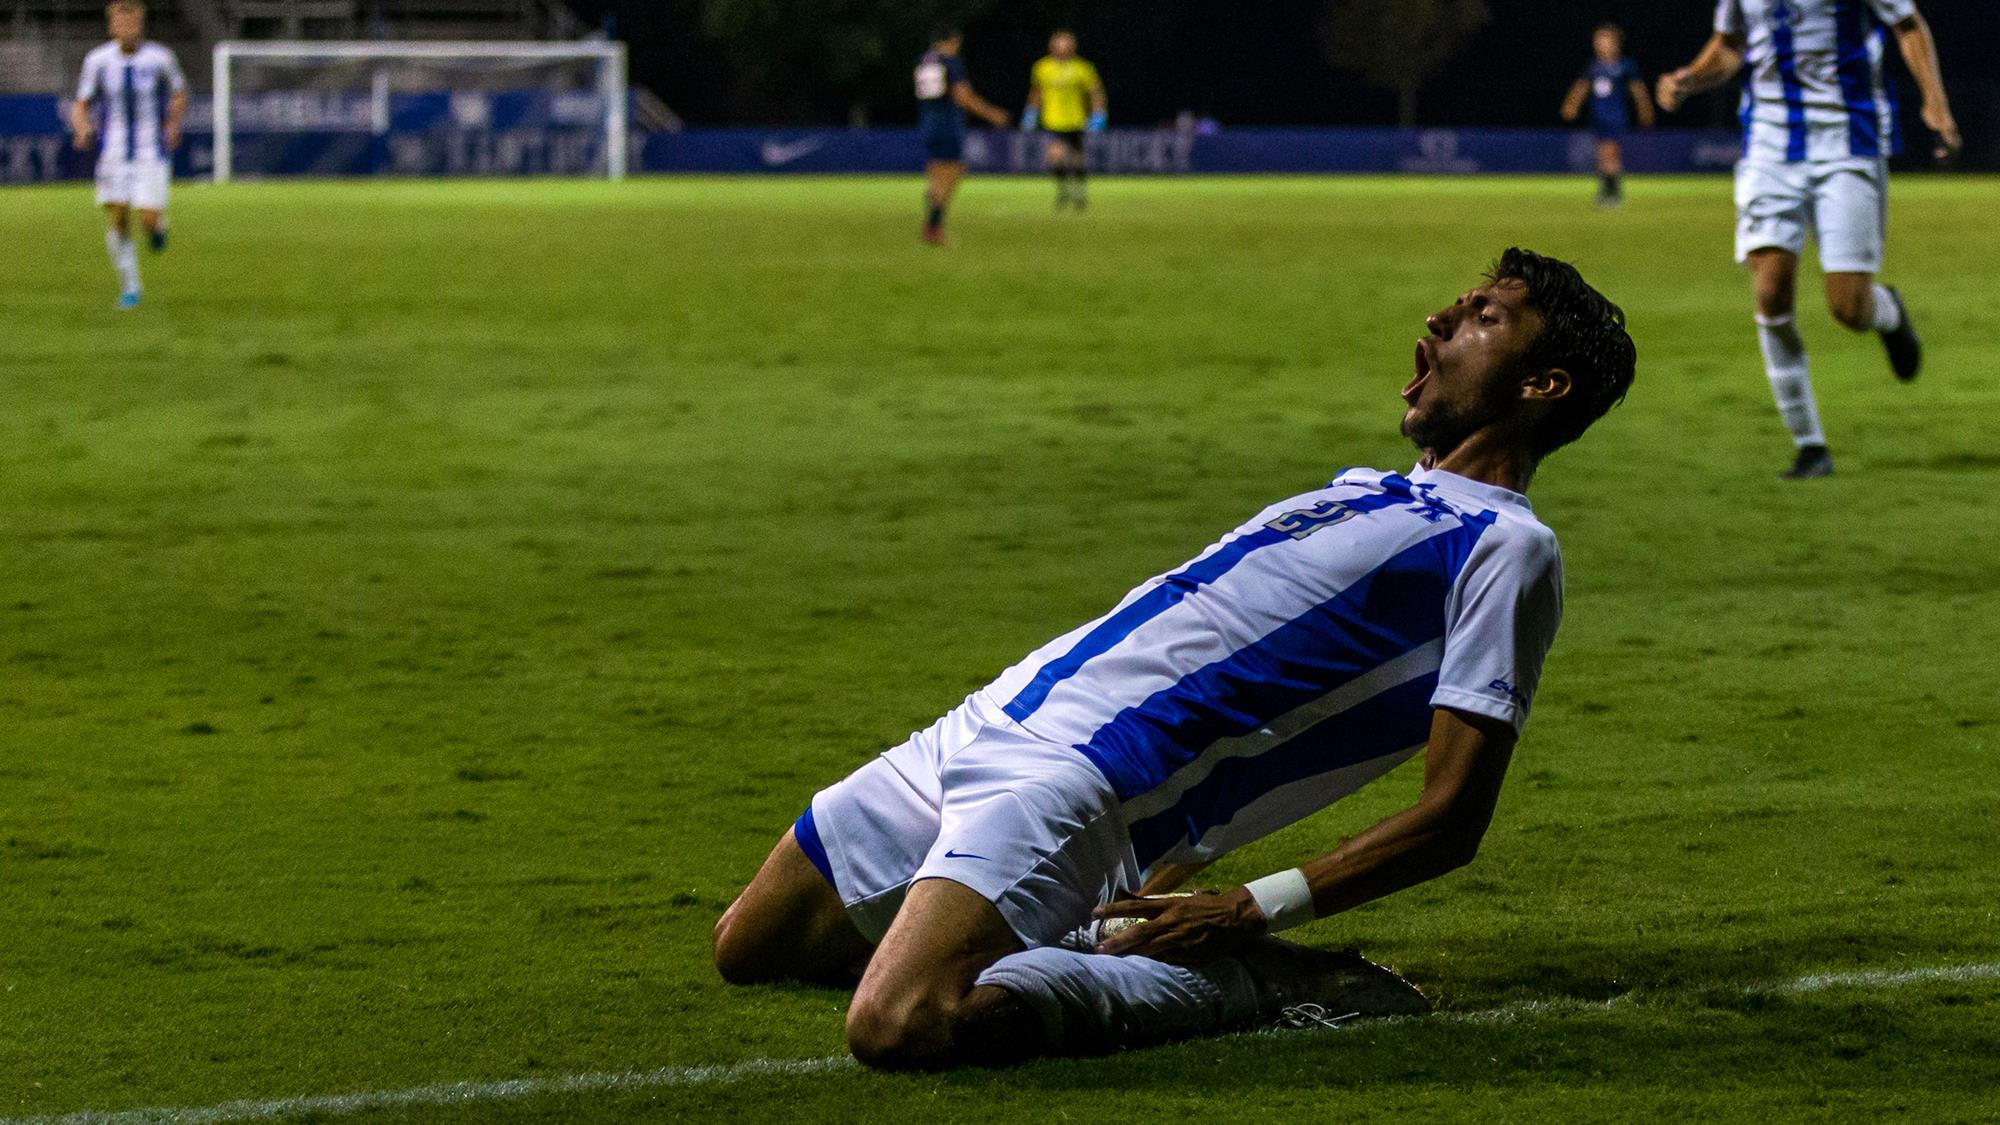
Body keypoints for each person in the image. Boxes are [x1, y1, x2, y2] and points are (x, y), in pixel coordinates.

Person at [713, 249, 1638, 1069]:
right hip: (990, 719)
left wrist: (1248, 907)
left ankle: (1239, 983)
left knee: (900, 1022)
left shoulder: (1508, 549)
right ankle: (1088, 927)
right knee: (748, 946)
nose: (1440, 319)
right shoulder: (1366, 490)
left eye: (1485, 317)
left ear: (1544, 386)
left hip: (1087, 784)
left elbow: (1453, 815)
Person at [1657, 0, 1958, 479]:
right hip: (1770, 147)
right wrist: (1690, 78)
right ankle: (1810, 445)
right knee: (1771, 291)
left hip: (1849, 140)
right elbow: (1732, 44)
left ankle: (1888, 312)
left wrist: (1934, 101)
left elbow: (1908, 23)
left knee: (1849, 307)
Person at [71, 0, 186, 309]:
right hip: (114, 152)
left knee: (147, 218)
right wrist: (82, 128)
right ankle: (130, 286)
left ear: (140, 25)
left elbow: (178, 91)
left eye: (132, 23)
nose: (126, 29)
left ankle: (157, 228)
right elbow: (81, 102)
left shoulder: (160, 58)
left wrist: (173, 123)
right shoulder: (98, 60)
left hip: (151, 150)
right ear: (112, 26)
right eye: (120, 23)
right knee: (119, 216)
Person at [914, 26, 1009, 246]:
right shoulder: (950, 62)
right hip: (948, 122)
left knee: (937, 172)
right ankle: (934, 226)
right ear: (952, 41)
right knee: (953, 171)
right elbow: (962, 95)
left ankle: (932, 217)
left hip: (929, 120)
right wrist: (992, 114)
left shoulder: (924, 61)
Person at [1560, 24, 1654, 208]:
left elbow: (1638, 91)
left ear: (1615, 43)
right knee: (1602, 156)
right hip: (1598, 116)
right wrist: (1571, 105)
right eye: (1597, 41)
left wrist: (1645, 110)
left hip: (1616, 116)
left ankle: (1613, 194)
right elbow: (1581, 87)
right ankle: (1607, 192)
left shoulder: (1625, 66)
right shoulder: (1593, 66)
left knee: (1611, 154)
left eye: (1604, 40)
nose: (1599, 44)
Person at [1023, 30, 1107, 210]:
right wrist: (1031, 113)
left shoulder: (1083, 67)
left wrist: (1098, 114)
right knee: (1055, 158)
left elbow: (1095, 92)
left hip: (1076, 120)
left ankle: (1080, 191)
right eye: (1058, 44)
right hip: (1052, 121)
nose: (1062, 48)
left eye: (1066, 44)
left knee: (1077, 160)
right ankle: (1063, 189)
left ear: (1072, 47)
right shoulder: (1042, 67)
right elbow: (1036, 92)